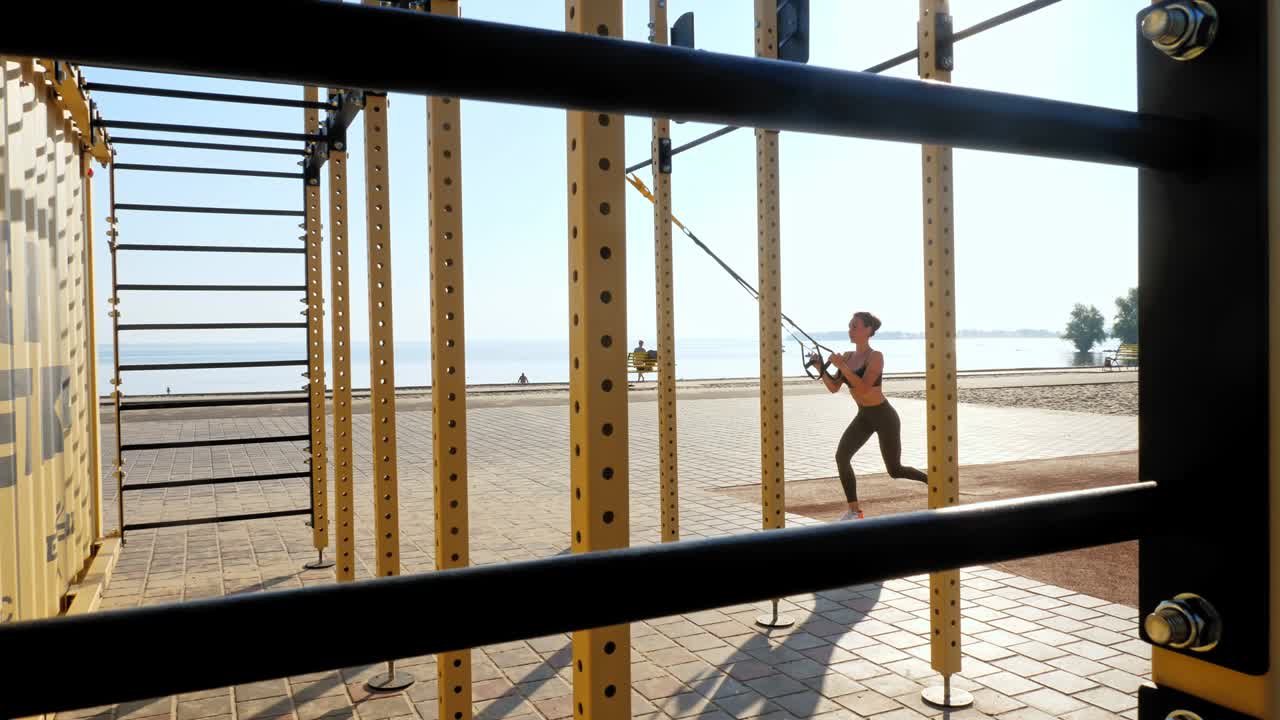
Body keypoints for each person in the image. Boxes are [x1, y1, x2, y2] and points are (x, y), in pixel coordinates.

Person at [810, 311, 928, 521]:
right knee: (842, 456)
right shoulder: (847, 356)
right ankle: (854, 511)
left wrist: (842, 367)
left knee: (895, 470)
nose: (850, 330)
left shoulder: (876, 357)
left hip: (884, 416)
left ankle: (933, 481)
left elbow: (864, 388)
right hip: (864, 416)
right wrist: (821, 368)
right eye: (849, 326)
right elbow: (834, 387)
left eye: (855, 326)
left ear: (869, 330)